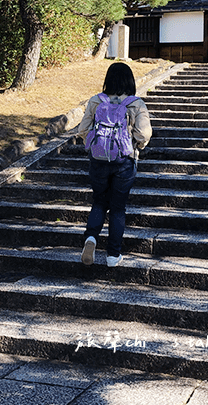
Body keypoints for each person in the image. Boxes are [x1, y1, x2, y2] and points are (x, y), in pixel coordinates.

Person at [75, 62, 152, 267]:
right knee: (118, 208)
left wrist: (95, 146)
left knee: (99, 202)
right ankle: (112, 255)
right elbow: (144, 133)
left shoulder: (96, 101)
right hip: (124, 162)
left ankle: (91, 239)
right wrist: (136, 144)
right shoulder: (135, 104)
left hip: (98, 161)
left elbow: (83, 130)